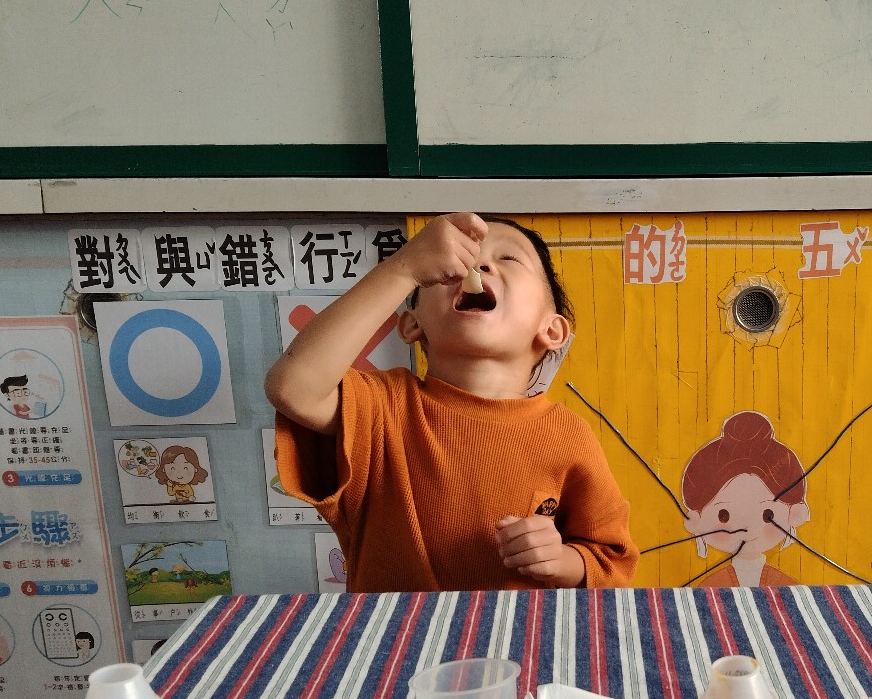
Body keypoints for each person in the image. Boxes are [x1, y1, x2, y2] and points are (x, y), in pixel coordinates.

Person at [265, 212, 637, 592]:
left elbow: (611, 561)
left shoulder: (568, 435)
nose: (476, 265)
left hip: (516, 631)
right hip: (396, 630)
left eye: (509, 257)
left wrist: (563, 561)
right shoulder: (381, 407)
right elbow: (293, 389)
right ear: (412, 324)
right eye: (447, 267)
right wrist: (404, 268)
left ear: (552, 329)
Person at [681, 411, 810, 587]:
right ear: (695, 520)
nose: (747, 528)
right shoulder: (710, 587)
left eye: (768, 515)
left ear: (795, 514)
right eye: (723, 515)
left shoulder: (786, 587)